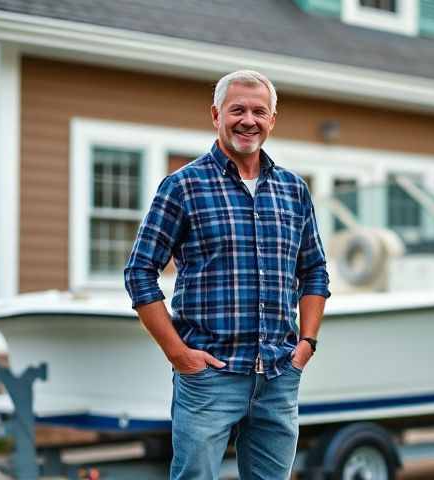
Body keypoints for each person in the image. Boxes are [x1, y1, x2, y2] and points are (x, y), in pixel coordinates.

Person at [124, 70, 330, 479]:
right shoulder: (183, 186)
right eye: (237, 110)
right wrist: (179, 355)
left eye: (259, 111)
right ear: (216, 114)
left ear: (272, 119)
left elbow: (314, 270)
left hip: (278, 375)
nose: (248, 120)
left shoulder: (293, 190)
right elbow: (140, 272)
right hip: (208, 378)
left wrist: (306, 344)